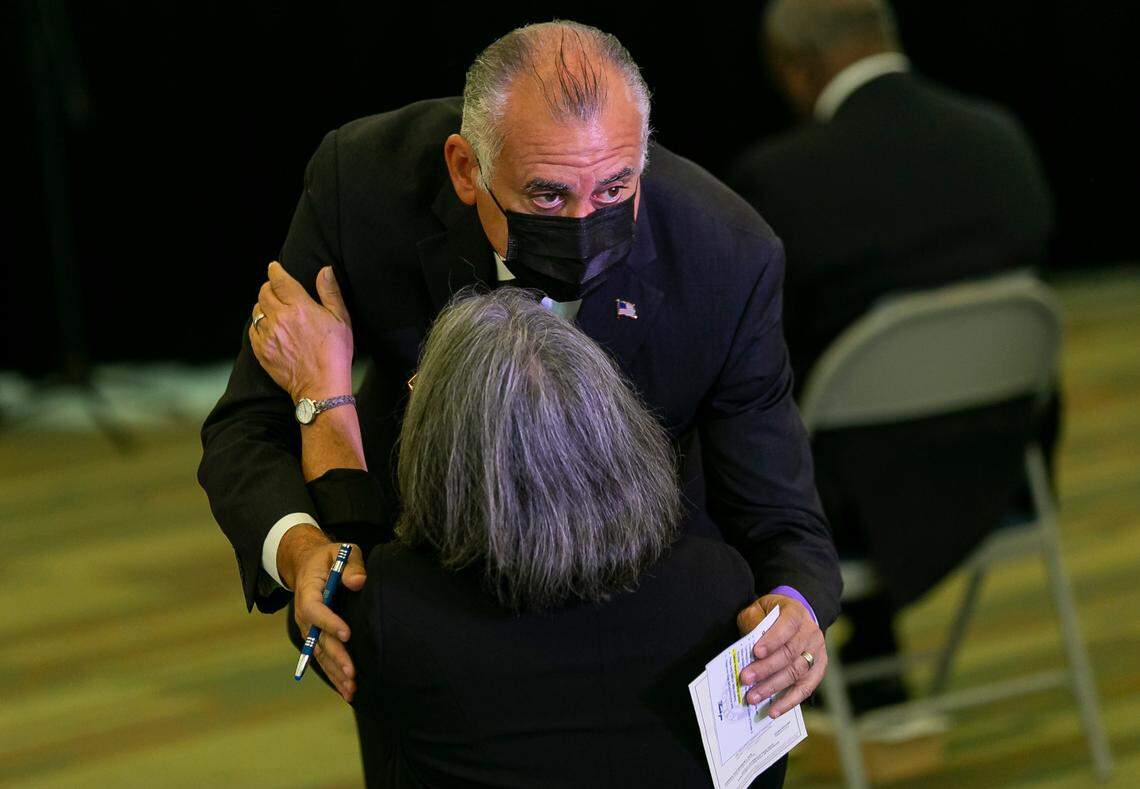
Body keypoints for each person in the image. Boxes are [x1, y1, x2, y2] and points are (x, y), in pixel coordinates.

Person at [197, 20, 842, 730]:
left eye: (614, 190)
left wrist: (797, 606)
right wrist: (299, 547)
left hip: (640, 609)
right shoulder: (365, 185)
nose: (584, 222)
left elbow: (782, 513)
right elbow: (247, 426)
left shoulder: (725, 254)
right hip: (428, 603)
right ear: (466, 169)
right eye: (547, 197)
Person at [257, 285, 777, 786]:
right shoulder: (717, 585)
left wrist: (321, 398)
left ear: (445, 460)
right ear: (619, 427)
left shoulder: (397, 619)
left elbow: (336, 578)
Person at [726, 0, 1055, 711]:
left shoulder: (783, 180)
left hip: (847, 497)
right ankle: (874, 640)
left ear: (797, 66)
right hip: (1001, 468)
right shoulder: (1000, 139)